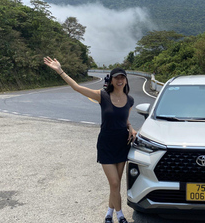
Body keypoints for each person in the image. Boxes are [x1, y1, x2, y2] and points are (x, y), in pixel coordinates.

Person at [43, 57, 137, 223]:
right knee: (114, 183)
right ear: (112, 80)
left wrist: (131, 128)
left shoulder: (129, 100)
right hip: (106, 145)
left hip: (122, 144)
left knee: (115, 184)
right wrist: (60, 70)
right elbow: (77, 87)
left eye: (122, 77)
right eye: (117, 78)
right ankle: (120, 216)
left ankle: (109, 213)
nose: (120, 80)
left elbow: (125, 120)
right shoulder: (102, 96)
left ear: (125, 80)